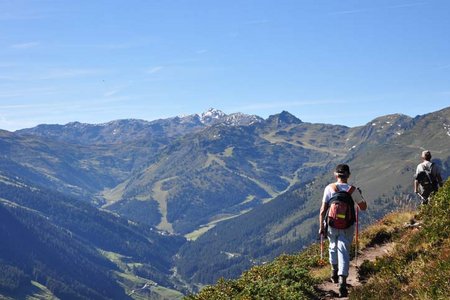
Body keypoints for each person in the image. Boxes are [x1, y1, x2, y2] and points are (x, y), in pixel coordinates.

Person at [319, 164, 367, 297]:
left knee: (333, 247)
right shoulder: (353, 190)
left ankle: (334, 273)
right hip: (347, 225)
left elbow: (323, 210)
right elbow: (363, 207)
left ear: (336, 174)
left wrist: (321, 227)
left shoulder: (329, 188)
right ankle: (342, 282)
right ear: (348, 175)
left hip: (332, 224)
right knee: (343, 250)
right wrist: (359, 197)